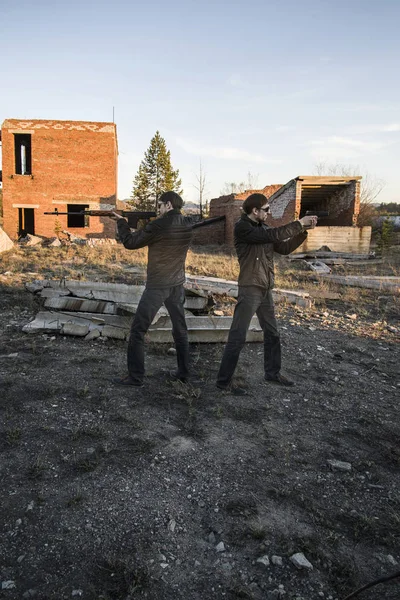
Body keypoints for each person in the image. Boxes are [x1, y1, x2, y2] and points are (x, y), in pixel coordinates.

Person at [216, 193, 317, 392]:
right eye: (267, 210)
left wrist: (303, 231)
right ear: (255, 211)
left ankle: (272, 373)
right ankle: (223, 381)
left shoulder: (264, 228)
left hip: (264, 288)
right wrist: (298, 223)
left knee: (272, 333)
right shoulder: (242, 227)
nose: (269, 213)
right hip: (249, 287)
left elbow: (284, 247)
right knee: (238, 335)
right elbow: (271, 236)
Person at [109, 191, 193, 387]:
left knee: (138, 330)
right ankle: (184, 374)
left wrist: (122, 222)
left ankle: (135, 377)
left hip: (158, 286)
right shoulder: (188, 223)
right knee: (180, 329)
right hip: (177, 283)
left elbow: (130, 243)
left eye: (161, 205)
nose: (159, 209)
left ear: (169, 205)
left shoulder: (158, 225)